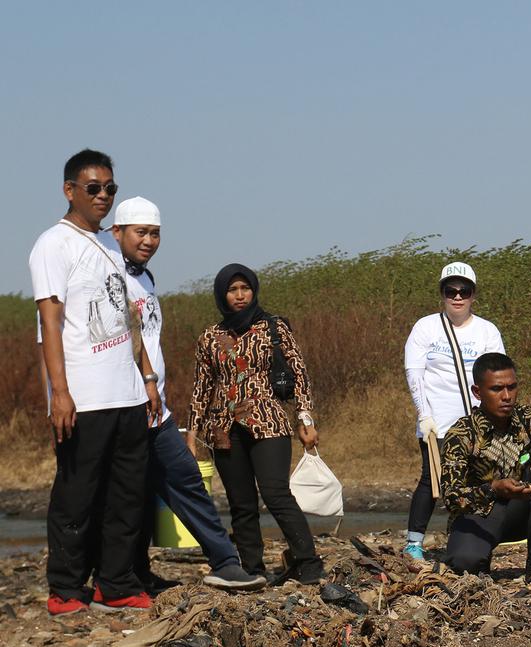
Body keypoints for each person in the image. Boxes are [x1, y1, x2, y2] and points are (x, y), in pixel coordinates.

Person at [107, 197, 266, 591]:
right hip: (123, 405)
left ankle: (224, 561)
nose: (148, 241)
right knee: (131, 494)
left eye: (154, 233)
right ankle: (127, 574)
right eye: (140, 232)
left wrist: (154, 386)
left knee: (185, 479)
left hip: (155, 409)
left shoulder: (146, 278)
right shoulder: (107, 277)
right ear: (118, 233)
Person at [29, 149, 162, 614]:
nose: (103, 195)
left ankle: (117, 582)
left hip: (126, 390)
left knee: (126, 493)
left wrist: (146, 377)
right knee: (77, 494)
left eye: (110, 188)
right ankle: (65, 588)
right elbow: (50, 321)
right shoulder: (53, 244)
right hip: (83, 396)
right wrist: (59, 393)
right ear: (70, 190)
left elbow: (127, 316)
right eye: (93, 188)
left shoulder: (109, 245)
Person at [187, 264, 324, 584]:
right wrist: (192, 432)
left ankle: (308, 562)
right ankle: (252, 568)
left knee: (276, 493)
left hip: (269, 424)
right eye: (232, 290)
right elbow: (201, 387)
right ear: (222, 294)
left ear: (253, 290)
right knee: (241, 503)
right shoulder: (210, 337)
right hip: (223, 429)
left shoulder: (273, 328)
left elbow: (300, 374)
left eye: (244, 288)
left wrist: (305, 417)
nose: (239, 295)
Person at [440, 353, 531, 581]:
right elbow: (451, 498)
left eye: (512, 387)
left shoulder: (528, 419)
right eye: (497, 389)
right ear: (478, 392)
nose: (506, 396)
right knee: (464, 564)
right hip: (479, 516)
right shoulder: (460, 434)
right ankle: (480, 557)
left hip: (522, 510)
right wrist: (493, 489)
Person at [402, 262, 506, 559]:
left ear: (473, 295)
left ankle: (469, 539)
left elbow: (498, 376)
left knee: (478, 481)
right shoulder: (426, 327)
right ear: (442, 294)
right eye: (451, 291)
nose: (457, 297)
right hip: (437, 423)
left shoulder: (487, 331)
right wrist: (424, 415)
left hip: (477, 424)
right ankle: (413, 542)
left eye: (464, 291)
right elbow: (414, 373)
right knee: (432, 480)